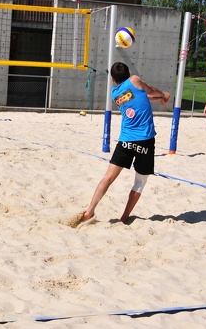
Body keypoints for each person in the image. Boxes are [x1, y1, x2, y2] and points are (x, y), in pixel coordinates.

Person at [72, 62, 170, 227]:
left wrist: (160, 98)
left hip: (126, 140)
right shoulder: (135, 79)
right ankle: (124, 217)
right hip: (145, 140)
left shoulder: (115, 93)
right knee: (140, 182)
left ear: (112, 78)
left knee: (108, 177)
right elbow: (150, 92)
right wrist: (164, 95)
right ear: (129, 73)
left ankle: (89, 210)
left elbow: (143, 96)